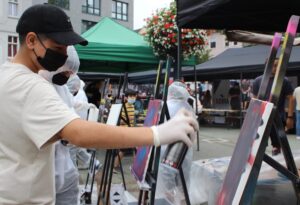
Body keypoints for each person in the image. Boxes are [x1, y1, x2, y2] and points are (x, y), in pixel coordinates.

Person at [0, 4, 198, 204]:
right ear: (32, 40)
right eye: (59, 47)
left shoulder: (6, 76)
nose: (64, 54)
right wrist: (157, 133)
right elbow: (78, 133)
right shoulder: (31, 85)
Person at [39, 46, 81, 205]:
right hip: (43, 174)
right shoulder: (36, 87)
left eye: (71, 72)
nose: (68, 75)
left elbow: (70, 112)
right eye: (66, 71)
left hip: (66, 169)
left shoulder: (62, 89)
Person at [156, 81, 195, 202]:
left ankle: (167, 201)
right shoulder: (188, 107)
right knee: (182, 183)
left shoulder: (163, 105)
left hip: (164, 150)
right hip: (183, 151)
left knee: (165, 185)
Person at [252, 58, 294, 155]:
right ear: (268, 66)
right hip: (262, 117)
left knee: (277, 145)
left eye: (278, 65)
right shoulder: (258, 81)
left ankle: (278, 160)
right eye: (274, 65)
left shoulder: (283, 80)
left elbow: (291, 98)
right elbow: (255, 100)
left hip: (278, 118)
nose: (276, 68)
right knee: (258, 145)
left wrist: (290, 117)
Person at [114, 89, 138, 171]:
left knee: (133, 149)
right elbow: (119, 120)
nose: (133, 98)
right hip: (124, 132)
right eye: (131, 96)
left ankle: (136, 167)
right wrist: (126, 122)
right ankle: (115, 166)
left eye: (134, 96)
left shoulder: (132, 106)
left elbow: (131, 119)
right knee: (124, 150)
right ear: (126, 97)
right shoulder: (124, 106)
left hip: (130, 131)